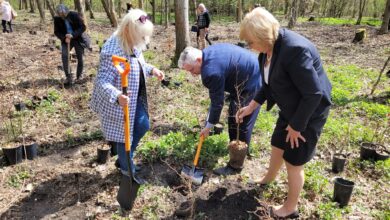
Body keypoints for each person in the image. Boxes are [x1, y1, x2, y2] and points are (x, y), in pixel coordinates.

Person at [237, 7, 331, 218]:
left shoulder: (294, 50)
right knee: (278, 142)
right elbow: (269, 83)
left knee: (293, 161)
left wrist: (297, 126)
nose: (250, 47)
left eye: (251, 42)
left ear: (263, 35)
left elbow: (314, 93)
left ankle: (290, 208)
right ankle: (268, 178)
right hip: (291, 105)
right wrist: (252, 106)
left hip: (310, 110)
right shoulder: (267, 50)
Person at [90, 9, 164, 183]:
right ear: (130, 31)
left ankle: (124, 159)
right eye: (142, 36)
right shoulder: (112, 49)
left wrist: (152, 69)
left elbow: (139, 64)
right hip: (117, 102)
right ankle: (125, 168)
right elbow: (102, 81)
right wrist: (117, 96)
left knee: (143, 125)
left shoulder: (134, 43)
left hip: (134, 96)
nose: (144, 40)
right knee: (125, 136)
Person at [178, 43, 262, 176]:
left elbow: (217, 102)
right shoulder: (207, 53)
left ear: (199, 60)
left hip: (252, 80)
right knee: (234, 116)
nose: (192, 74)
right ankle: (241, 147)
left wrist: (208, 126)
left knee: (240, 122)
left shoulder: (211, 72)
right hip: (246, 74)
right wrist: (208, 123)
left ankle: (236, 165)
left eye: (191, 70)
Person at [54, 4, 88, 87]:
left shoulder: (74, 15)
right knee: (64, 56)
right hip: (66, 40)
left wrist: (73, 35)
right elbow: (56, 31)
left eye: (64, 14)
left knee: (80, 57)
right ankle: (69, 76)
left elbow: (82, 27)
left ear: (67, 11)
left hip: (77, 38)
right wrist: (64, 38)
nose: (62, 16)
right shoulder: (57, 19)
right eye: (60, 14)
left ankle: (79, 76)